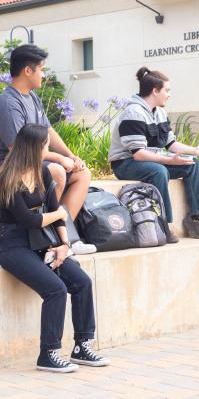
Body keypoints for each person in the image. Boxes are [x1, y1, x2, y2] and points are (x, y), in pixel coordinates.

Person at [0, 124, 110, 372]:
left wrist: (64, 245)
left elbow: (56, 214)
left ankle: (82, 346)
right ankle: (48, 354)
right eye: (45, 146)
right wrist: (58, 213)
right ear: (34, 147)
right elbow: (28, 220)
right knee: (56, 289)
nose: (48, 149)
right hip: (12, 244)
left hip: (41, 240)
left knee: (81, 281)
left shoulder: (43, 173)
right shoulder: (6, 177)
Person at [0, 44, 95, 255]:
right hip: (13, 167)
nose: (44, 75)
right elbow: (19, 150)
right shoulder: (8, 103)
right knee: (56, 172)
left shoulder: (32, 97)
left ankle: (66, 237)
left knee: (82, 174)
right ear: (27, 70)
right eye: (41, 69)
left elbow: (49, 132)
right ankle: (47, 239)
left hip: (35, 162)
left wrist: (71, 156)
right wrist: (60, 160)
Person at [109, 66, 199, 240]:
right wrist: (169, 161)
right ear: (155, 91)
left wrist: (195, 151)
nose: (169, 94)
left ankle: (195, 218)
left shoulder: (160, 113)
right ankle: (163, 223)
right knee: (159, 171)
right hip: (125, 163)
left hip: (151, 160)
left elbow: (171, 144)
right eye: (167, 90)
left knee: (193, 164)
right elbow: (138, 154)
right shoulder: (133, 113)